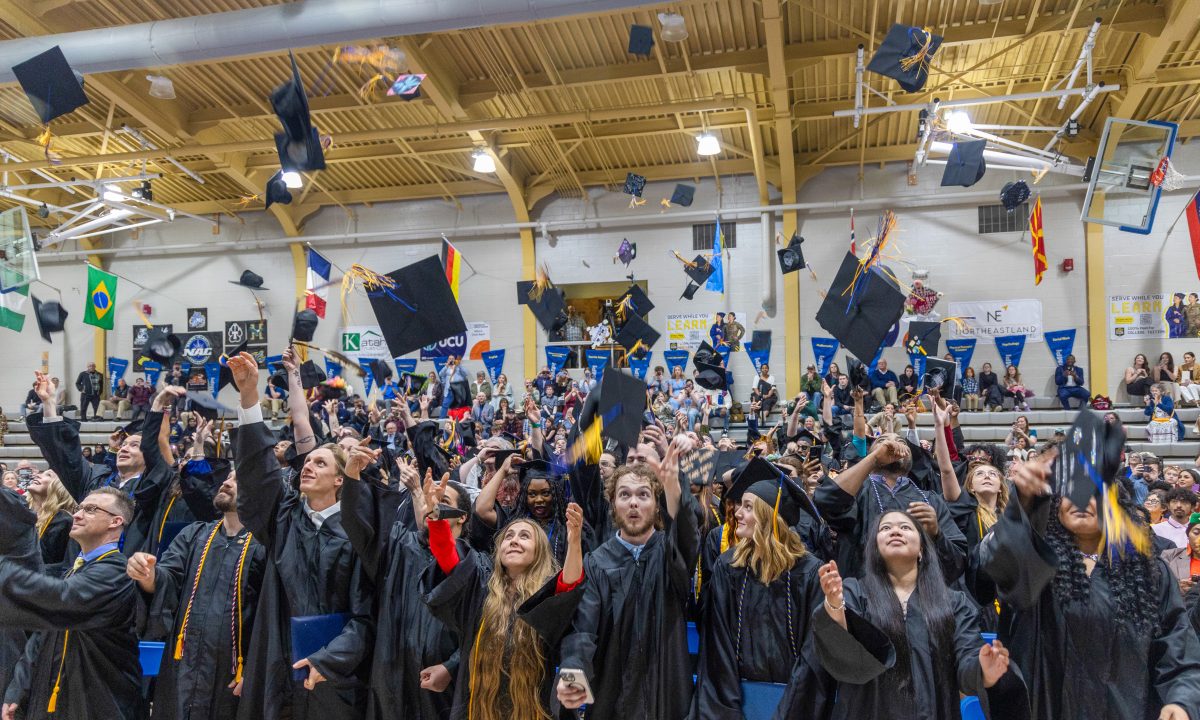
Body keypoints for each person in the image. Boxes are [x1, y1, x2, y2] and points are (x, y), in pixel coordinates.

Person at [981, 453, 1200, 720]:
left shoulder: (1148, 572)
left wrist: (1181, 701)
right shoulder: (1034, 564)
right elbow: (989, 565)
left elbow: (1177, 646)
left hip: (1125, 710)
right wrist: (1025, 501)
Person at [227, 351, 374, 720]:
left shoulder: (357, 533)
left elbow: (367, 615)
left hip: (335, 677)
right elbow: (257, 477)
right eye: (307, 461)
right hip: (279, 667)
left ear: (340, 480)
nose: (307, 466)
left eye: (320, 462)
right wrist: (249, 397)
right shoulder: (285, 518)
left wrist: (330, 659)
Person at [810, 510, 1018, 719]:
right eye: (885, 528)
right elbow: (842, 652)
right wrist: (834, 605)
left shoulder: (953, 603)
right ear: (875, 549)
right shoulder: (855, 592)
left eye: (905, 527)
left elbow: (966, 659)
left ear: (921, 550)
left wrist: (984, 670)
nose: (895, 531)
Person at [424, 469, 585, 720]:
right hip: (482, 707)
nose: (514, 540)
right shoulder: (481, 587)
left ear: (540, 551)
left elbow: (569, 586)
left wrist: (574, 541)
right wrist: (436, 517)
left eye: (524, 536)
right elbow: (448, 556)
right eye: (508, 536)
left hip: (534, 708)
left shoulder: (546, 596)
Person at [557, 444, 698, 718]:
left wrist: (673, 488)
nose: (633, 502)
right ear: (613, 504)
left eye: (643, 494)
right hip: (613, 699)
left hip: (667, 698)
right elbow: (583, 628)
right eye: (624, 494)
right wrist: (572, 675)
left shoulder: (669, 555)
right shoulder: (597, 562)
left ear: (656, 505)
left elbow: (686, 537)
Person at [125, 468, 266, 720]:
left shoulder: (265, 545)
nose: (227, 482)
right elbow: (167, 579)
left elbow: (271, 614)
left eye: (238, 479)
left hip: (234, 672)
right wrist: (147, 575)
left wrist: (257, 670)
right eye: (228, 477)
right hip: (183, 664)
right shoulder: (194, 535)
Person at [691, 462, 829, 719]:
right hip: (738, 698)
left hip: (794, 702)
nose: (737, 513)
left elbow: (814, 651)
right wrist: (728, 709)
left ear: (770, 516)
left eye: (747, 507)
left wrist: (790, 710)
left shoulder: (810, 572)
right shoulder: (729, 566)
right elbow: (717, 642)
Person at [0, 486, 141, 720]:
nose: (77, 515)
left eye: (90, 509)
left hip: (97, 700)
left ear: (115, 521)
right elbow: (41, 636)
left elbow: (62, 600)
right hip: (56, 696)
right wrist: (18, 687)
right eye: (79, 508)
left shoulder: (116, 572)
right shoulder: (76, 571)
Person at [27, 372, 174, 556]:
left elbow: (161, 459)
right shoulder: (97, 480)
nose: (124, 449)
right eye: (123, 445)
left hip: (123, 568)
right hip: (78, 567)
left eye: (134, 445)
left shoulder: (151, 490)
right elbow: (65, 458)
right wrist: (49, 403)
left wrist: (158, 408)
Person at [813, 432, 966, 582]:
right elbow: (826, 500)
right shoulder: (855, 491)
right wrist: (874, 459)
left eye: (901, 442)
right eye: (882, 441)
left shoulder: (930, 500)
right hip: (863, 592)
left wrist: (936, 535)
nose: (893, 444)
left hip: (920, 593)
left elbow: (957, 564)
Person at [25, 468, 76, 566]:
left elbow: (60, 564)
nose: (38, 475)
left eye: (48, 475)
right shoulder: (20, 509)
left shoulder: (63, 521)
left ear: (61, 486)